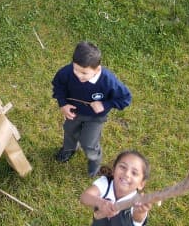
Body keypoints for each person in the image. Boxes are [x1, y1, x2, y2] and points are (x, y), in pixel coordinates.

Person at [52, 41, 132, 176]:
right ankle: (69, 149)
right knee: (69, 130)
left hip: (95, 117)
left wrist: (104, 105)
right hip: (74, 112)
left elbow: (125, 98)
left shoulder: (108, 81)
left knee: (88, 142)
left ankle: (94, 161)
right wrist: (63, 104)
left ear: (97, 69)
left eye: (84, 73)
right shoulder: (66, 72)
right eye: (76, 70)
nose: (79, 75)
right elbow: (58, 86)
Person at [79, 150, 154, 226]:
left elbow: (138, 221)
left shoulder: (137, 202)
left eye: (134, 173)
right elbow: (84, 197)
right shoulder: (105, 183)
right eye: (123, 167)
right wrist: (100, 203)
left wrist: (140, 211)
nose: (127, 174)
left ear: (141, 184)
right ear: (114, 170)